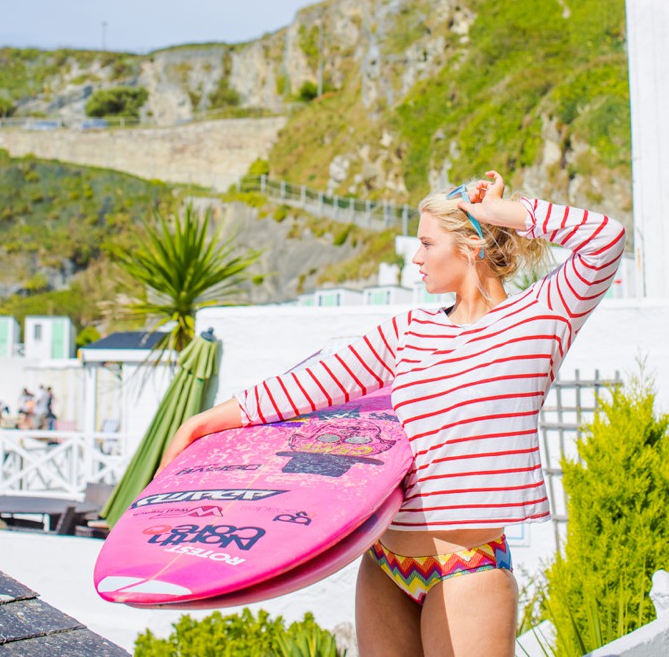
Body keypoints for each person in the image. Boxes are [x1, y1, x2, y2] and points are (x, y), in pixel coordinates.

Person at [158, 170, 625, 657]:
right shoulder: (411, 331)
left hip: (467, 566)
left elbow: (606, 240)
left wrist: (503, 214)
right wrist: (203, 422)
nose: (416, 258)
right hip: (385, 564)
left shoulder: (539, 318)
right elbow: (310, 385)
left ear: (471, 246)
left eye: (427, 243)